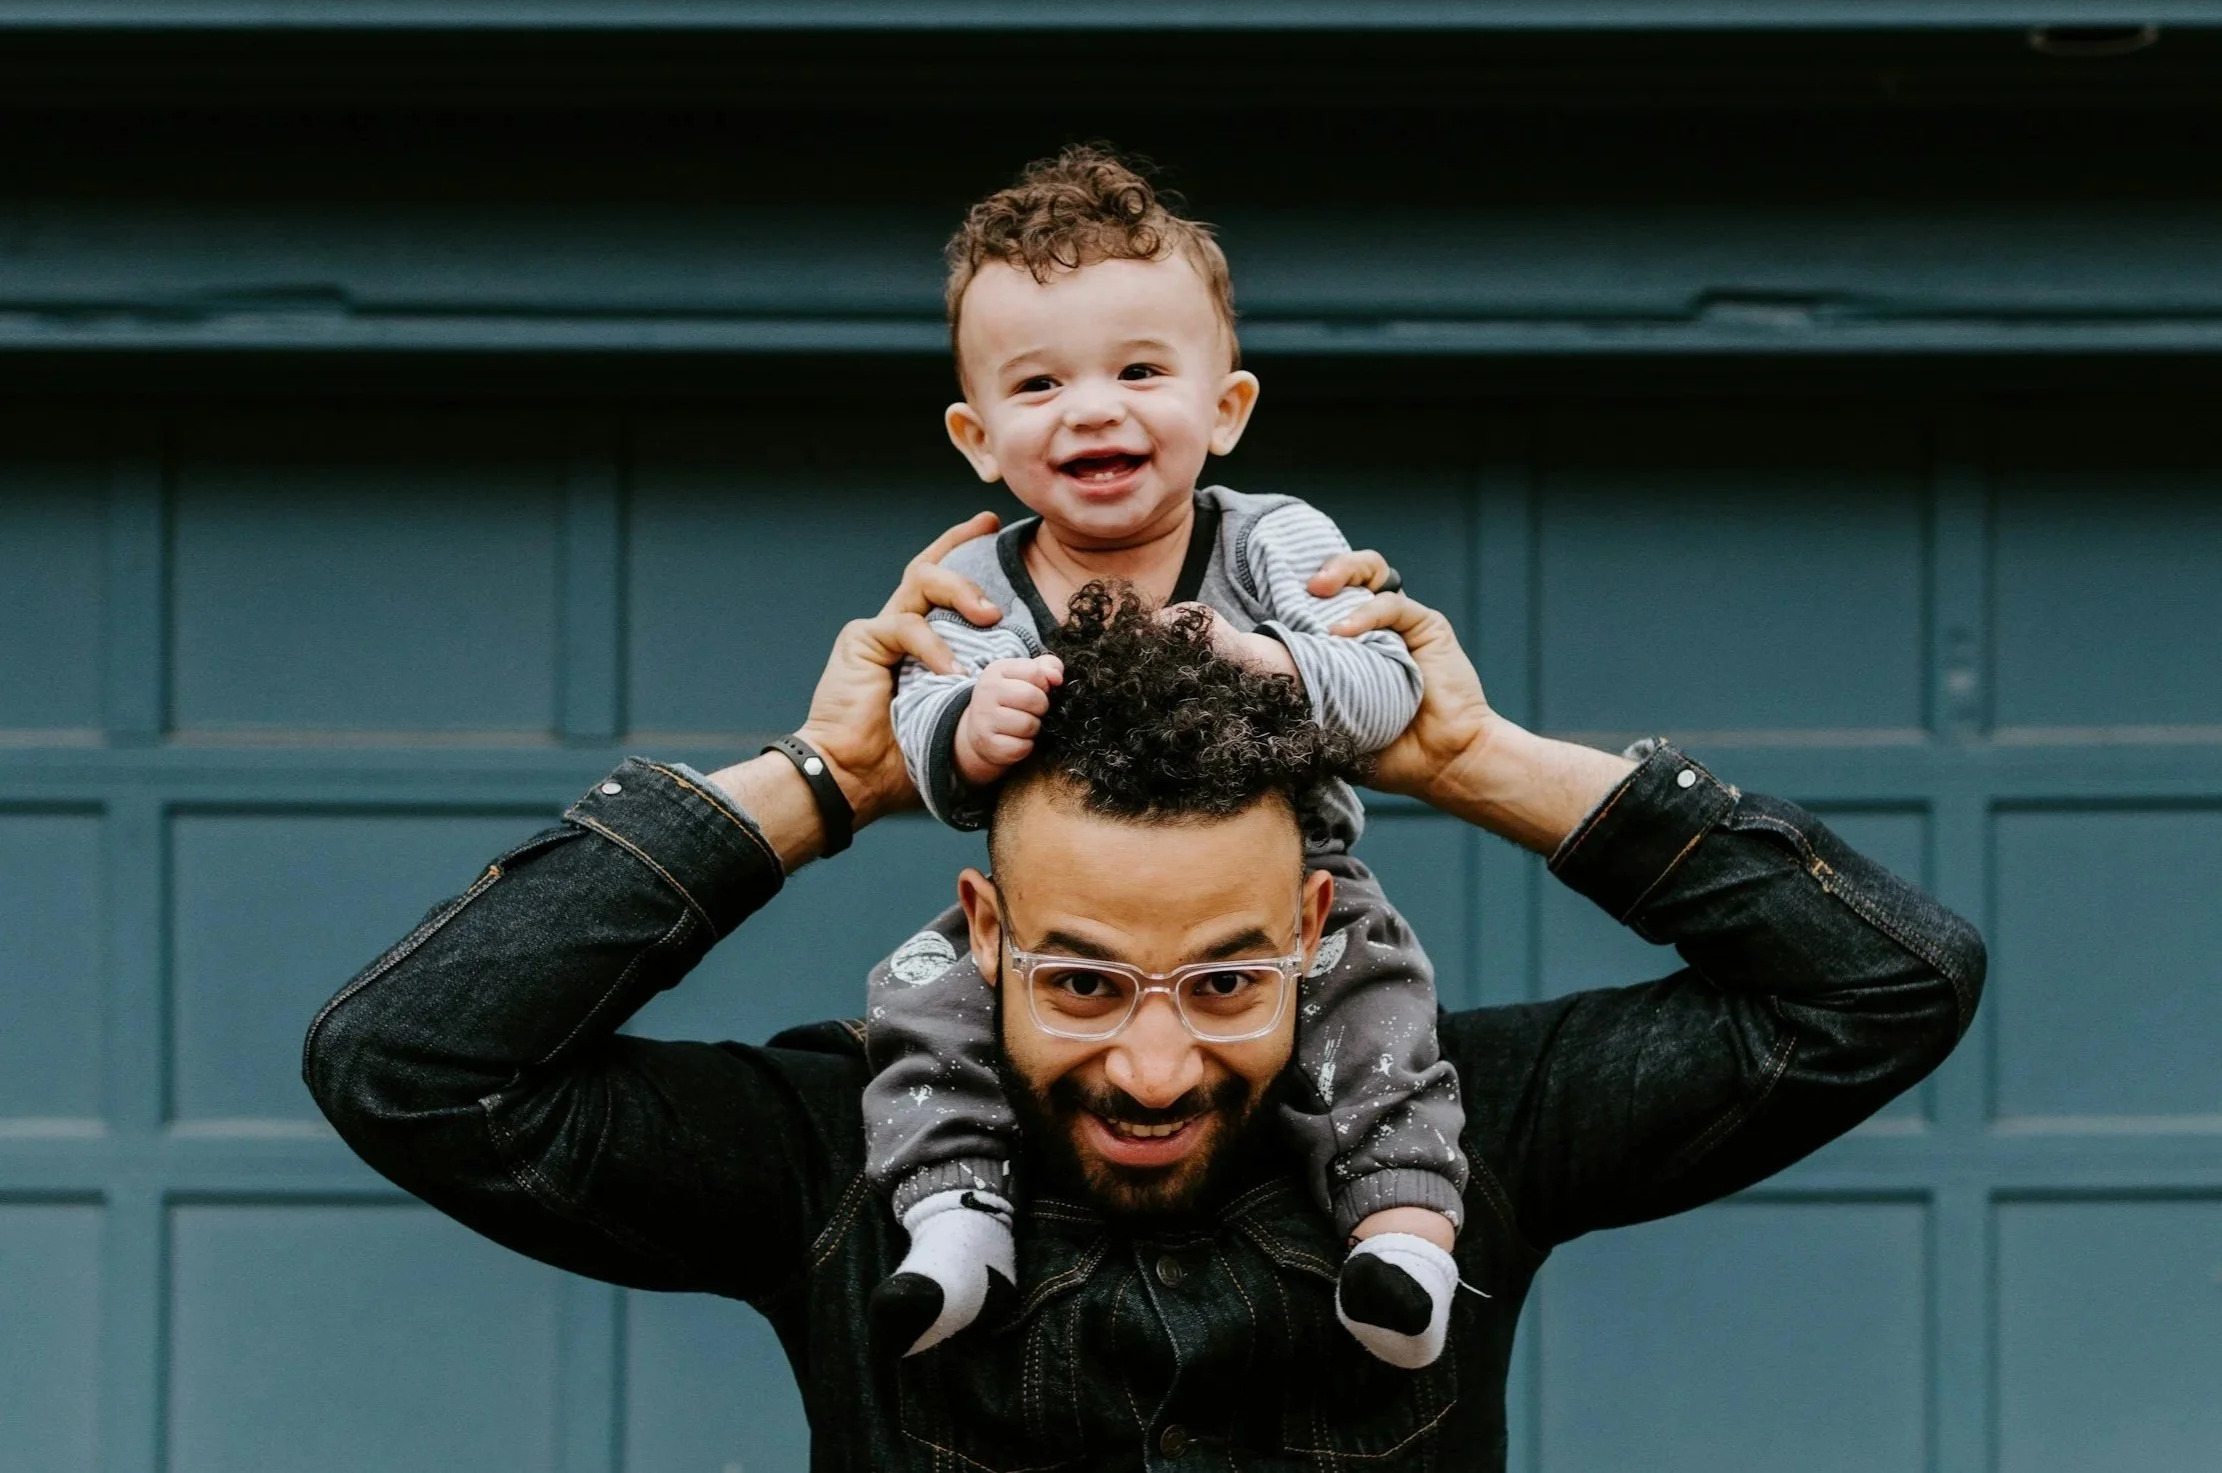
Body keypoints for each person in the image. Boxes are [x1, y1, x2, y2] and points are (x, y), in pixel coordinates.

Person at [303, 517, 1985, 1473]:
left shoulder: (1461, 1133)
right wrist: (828, 778)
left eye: (1229, 978)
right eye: (1086, 982)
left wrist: (1470, 761)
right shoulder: (834, 1162)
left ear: (1318, 922)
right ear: (982, 929)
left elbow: (1879, 986)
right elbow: (413, 1063)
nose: (1158, 1064)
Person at [869, 145, 1462, 1368]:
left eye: (1140, 370)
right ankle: (952, 1218)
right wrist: (964, 728)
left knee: (1379, 1003)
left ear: (1225, 409)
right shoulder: (974, 580)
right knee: (920, 997)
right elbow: (921, 734)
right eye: (1038, 386)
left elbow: (1384, 683)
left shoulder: (1269, 542)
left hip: (1293, 885)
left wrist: (1266, 660)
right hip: (1057, 914)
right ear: (979, 438)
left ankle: (1400, 1235)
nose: (1092, 408)